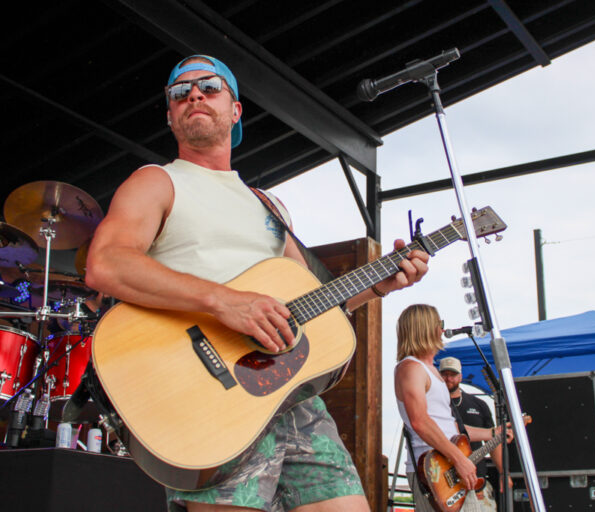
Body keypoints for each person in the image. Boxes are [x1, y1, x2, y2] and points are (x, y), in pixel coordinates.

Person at [85, 54, 430, 512]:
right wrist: (223, 301)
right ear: (170, 115)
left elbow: (312, 306)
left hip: (291, 398)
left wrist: (379, 285)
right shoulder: (157, 181)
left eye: (209, 87)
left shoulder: (268, 206)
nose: (194, 95)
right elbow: (105, 264)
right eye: (179, 92)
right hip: (211, 395)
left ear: (235, 110)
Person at [394, 305, 511, 512]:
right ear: (426, 328)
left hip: (451, 468)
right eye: (440, 324)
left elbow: (451, 427)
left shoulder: (431, 371)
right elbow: (420, 421)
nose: (442, 330)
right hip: (433, 472)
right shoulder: (410, 368)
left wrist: (493, 433)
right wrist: (459, 459)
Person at [439, 356, 507, 511]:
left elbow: (493, 441)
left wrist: (503, 473)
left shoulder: (479, 405)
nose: (449, 378)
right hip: (444, 482)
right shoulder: (436, 404)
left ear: (460, 376)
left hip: (476, 482)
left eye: (453, 374)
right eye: (445, 374)